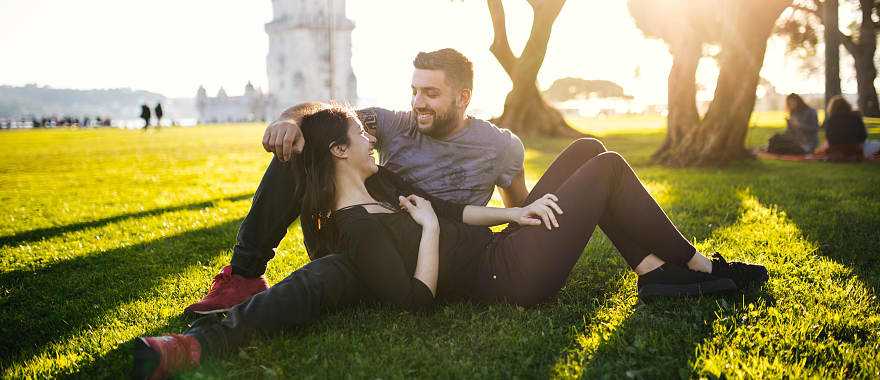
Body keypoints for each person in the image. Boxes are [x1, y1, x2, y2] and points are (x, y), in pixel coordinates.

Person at [133, 106, 768, 379]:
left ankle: (657, 268)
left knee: (588, 152)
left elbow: (451, 208)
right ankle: (696, 264)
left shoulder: (381, 180)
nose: (373, 134)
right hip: (510, 279)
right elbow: (415, 301)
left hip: (503, 246)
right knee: (603, 170)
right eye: (361, 131)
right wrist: (432, 234)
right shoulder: (353, 234)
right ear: (339, 151)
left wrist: (511, 217)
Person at [185, 48, 530, 315]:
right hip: (364, 238)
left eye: (430, 93)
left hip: (429, 252)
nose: (417, 103)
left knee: (329, 280)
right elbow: (329, 120)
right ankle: (244, 275)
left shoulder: (501, 147)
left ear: (463, 97)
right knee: (300, 144)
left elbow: (520, 209)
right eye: (414, 91)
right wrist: (291, 120)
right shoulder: (396, 124)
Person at [821, 96, 867, 162]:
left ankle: (841, 155)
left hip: (836, 149)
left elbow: (829, 137)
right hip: (855, 148)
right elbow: (863, 135)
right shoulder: (856, 117)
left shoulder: (831, 120)